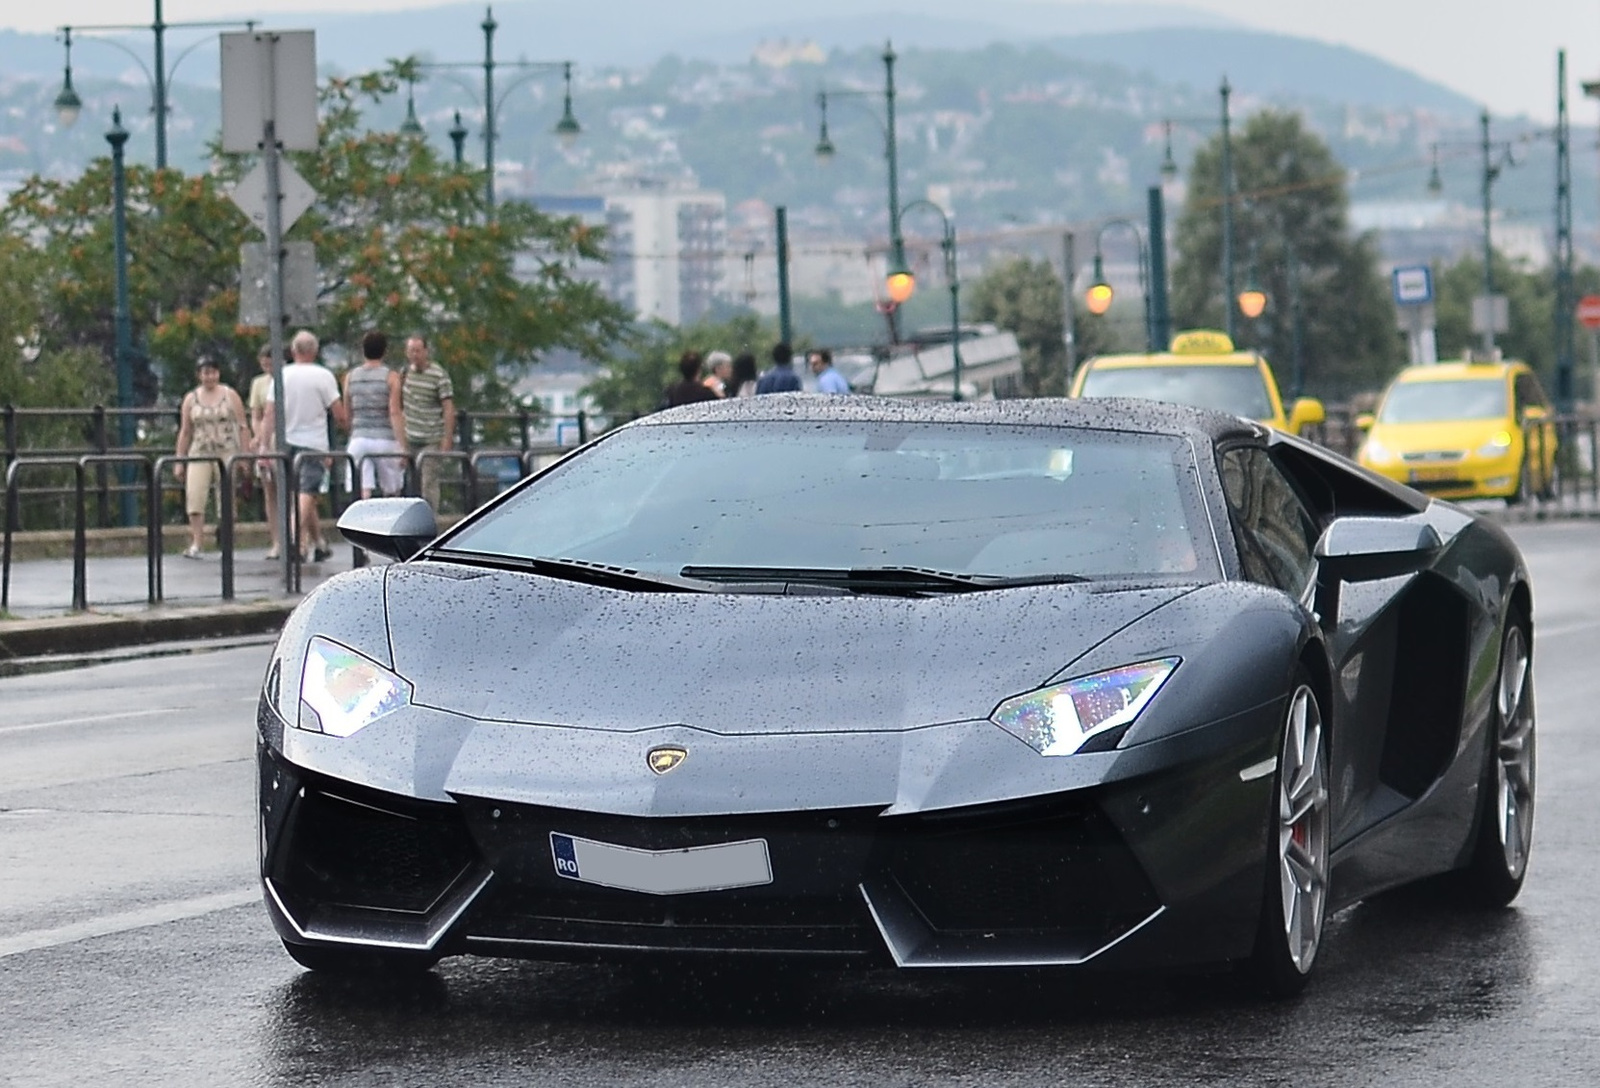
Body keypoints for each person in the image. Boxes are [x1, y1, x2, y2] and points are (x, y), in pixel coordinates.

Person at [277, 329, 348, 562]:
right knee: (307, 493)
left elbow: (269, 412)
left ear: (294, 350)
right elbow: (337, 412)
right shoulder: (323, 376)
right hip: (314, 443)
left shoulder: (281, 375)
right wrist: (347, 426)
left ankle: (319, 543)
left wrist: (263, 441)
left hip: (286, 440)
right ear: (315, 351)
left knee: (302, 495)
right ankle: (294, 540)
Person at [173, 357, 251, 559]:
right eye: (205, 373)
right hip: (200, 450)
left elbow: (242, 425)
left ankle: (226, 540)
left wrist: (244, 455)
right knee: (195, 495)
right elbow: (186, 431)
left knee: (226, 498)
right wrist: (179, 459)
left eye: (213, 372)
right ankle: (197, 542)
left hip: (226, 450)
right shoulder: (191, 399)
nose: (209, 377)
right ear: (199, 375)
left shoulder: (229, 395)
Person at [343, 330, 406, 499]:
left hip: (359, 438)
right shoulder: (391, 377)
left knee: (362, 490)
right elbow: (394, 411)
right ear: (385, 350)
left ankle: (363, 521)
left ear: (363, 350)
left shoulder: (351, 377)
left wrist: (352, 431)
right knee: (392, 490)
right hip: (385, 439)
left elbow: (347, 412)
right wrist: (402, 446)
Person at [398, 334, 455, 512]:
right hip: (411, 437)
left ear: (426, 351)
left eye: (418, 350)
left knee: (428, 482)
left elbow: (448, 407)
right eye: (411, 351)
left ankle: (430, 519)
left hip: (431, 438)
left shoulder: (439, 375)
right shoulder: (405, 374)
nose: (414, 355)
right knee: (411, 484)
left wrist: (447, 437)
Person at [246, 343, 283, 559]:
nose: (266, 364)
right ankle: (276, 540)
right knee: (269, 491)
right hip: (265, 439)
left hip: (282, 437)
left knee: (288, 490)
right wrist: (259, 436)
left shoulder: (285, 379)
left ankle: (299, 538)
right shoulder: (258, 383)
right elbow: (257, 413)